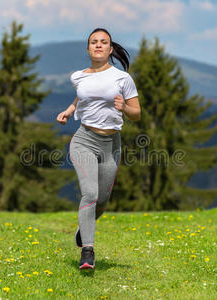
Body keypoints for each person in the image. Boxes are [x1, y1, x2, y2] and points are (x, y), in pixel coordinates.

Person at [56, 28, 141, 269]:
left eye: (104, 42)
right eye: (94, 42)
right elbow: (83, 96)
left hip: (111, 146)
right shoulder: (78, 77)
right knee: (90, 194)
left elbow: (137, 114)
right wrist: (70, 110)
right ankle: (88, 251)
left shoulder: (123, 79)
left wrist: (124, 107)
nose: (98, 45)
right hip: (84, 140)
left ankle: (84, 229)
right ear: (88, 49)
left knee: (102, 201)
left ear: (111, 49)